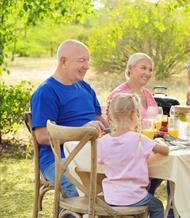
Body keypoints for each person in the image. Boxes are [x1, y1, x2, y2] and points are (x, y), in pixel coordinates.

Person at [30, 40, 108, 199]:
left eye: (87, 61)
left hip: (92, 156)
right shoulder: (46, 92)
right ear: (63, 61)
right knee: (83, 194)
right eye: (81, 60)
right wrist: (81, 132)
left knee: (130, 179)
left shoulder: (85, 87)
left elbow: (99, 118)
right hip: (59, 160)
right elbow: (42, 136)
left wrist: (117, 132)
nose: (87, 66)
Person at [97, 93, 169, 218]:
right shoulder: (139, 139)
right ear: (132, 114)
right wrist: (159, 142)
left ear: (111, 116)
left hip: (111, 196)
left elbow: (100, 160)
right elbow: (165, 151)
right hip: (133, 196)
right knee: (157, 206)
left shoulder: (103, 141)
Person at [107, 52, 158, 119]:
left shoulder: (148, 94)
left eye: (150, 70)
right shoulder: (119, 94)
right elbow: (112, 124)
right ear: (130, 68)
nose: (147, 73)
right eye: (143, 68)